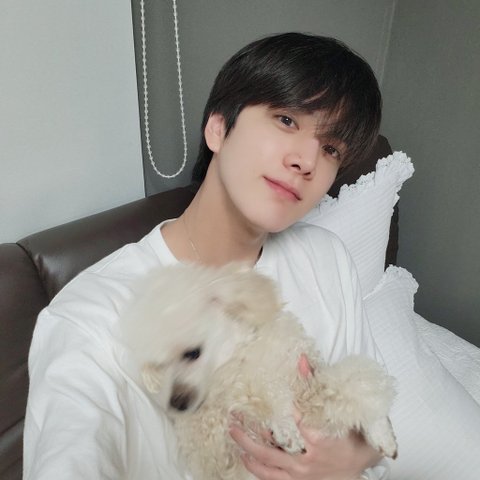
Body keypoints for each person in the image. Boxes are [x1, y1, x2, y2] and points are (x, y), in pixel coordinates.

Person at [24, 32, 386, 479]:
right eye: (287, 120)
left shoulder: (327, 260)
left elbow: (371, 422)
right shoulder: (91, 317)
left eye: (331, 149)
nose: (307, 161)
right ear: (218, 128)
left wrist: (353, 459)